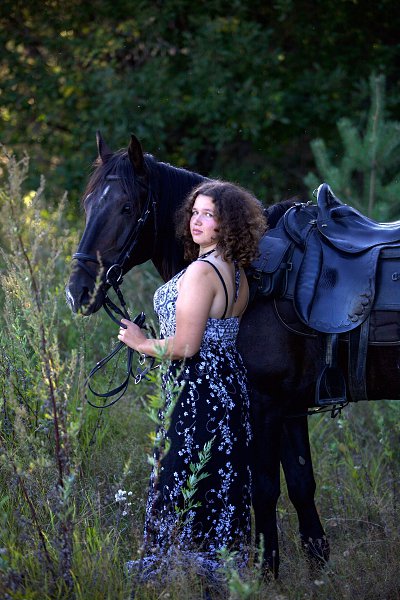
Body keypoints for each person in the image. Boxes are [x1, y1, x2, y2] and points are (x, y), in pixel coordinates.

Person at [118, 180, 266, 581]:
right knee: (219, 474)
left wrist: (141, 342)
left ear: (227, 223)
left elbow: (185, 345)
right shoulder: (237, 273)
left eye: (209, 215)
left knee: (182, 473)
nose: (197, 221)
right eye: (194, 212)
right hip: (227, 384)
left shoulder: (202, 271)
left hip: (198, 387)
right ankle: (217, 565)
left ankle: (177, 568)